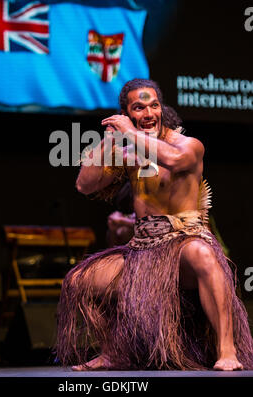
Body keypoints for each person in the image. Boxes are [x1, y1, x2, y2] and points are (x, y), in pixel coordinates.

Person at [56, 78, 253, 371]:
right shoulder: (130, 153)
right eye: (138, 107)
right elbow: (84, 185)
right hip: (143, 250)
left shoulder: (187, 145)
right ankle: (111, 351)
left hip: (185, 242)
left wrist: (131, 135)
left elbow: (172, 160)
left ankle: (227, 350)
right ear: (126, 113)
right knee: (79, 280)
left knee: (203, 254)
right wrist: (110, 138)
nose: (148, 113)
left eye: (154, 105)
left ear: (162, 109)